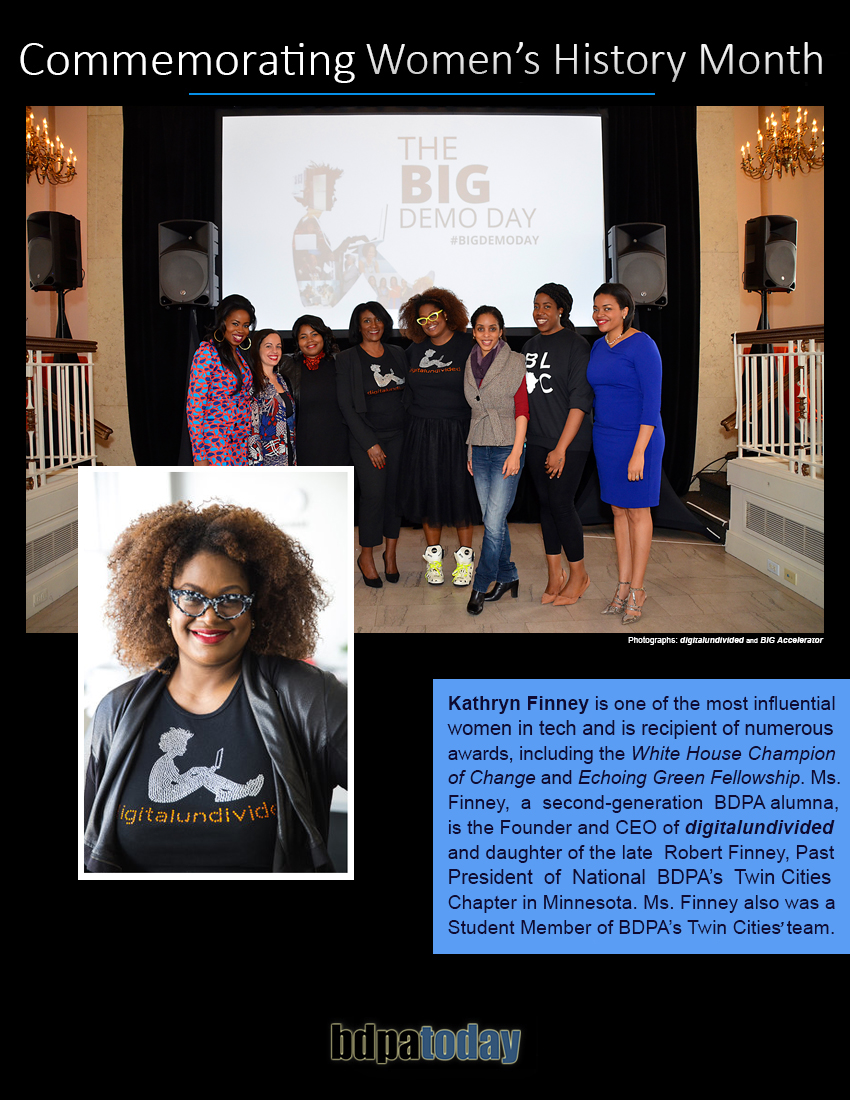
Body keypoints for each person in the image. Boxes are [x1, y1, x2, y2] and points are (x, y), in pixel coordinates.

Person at [84, 501, 346, 873]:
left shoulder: (308, 697)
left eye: (231, 600)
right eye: (191, 597)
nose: (209, 616)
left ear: (256, 607)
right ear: (167, 605)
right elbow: (91, 849)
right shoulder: (115, 712)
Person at [586, 282, 665, 625]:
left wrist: (639, 453)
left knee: (637, 512)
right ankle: (621, 586)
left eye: (607, 308)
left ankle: (638, 589)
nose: (599, 314)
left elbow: (652, 403)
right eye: (596, 308)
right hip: (605, 439)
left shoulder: (643, 344)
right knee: (618, 510)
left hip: (639, 439)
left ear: (624, 311)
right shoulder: (598, 346)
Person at [397, 287, 480, 587]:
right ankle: (434, 560)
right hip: (422, 431)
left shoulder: (468, 345)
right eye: (422, 320)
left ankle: (465, 561)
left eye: (433, 315)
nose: (429, 322)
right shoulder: (413, 352)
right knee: (428, 495)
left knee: (461, 496)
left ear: (447, 314)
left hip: (459, 429)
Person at [522, 283, 594, 605]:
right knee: (546, 505)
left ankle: (579, 575)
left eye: (547, 306)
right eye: (536, 305)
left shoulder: (577, 346)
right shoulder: (530, 346)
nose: (540, 312)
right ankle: (555, 575)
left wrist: (561, 448)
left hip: (569, 442)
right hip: (537, 440)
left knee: (562, 504)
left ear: (561, 309)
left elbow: (580, 402)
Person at [336, 301, 407, 587]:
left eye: (377, 320)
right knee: (374, 497)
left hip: (400, 436)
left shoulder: (398, 354)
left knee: (395, 496)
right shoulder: (347, 358)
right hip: (366, 439)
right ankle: (366, 556)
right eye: (366, 321)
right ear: (358, 326)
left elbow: (407, 395)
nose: (373, 325)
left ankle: (390, 556)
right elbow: (346, 405)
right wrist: (370, 443)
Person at [463, 306, 529, 616]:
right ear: (473, 331)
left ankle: (481, 583)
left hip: (506, 446)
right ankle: (509, 575)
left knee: (491, 523)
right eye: (480, 328)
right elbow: (474, 412)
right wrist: (470, 450)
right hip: (479, 445)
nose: (486, 334)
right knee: (494, 520)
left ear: (501, 331)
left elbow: (522, 410)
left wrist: (516, 452)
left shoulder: (515, 361)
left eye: (492, 328)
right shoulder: (469, 361)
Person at [186, 295, 256, 466]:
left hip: (240, 442)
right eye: (235, 323)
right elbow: (195, 407)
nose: (241, 330)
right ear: (222, 322)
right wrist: (199, 457)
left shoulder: (240, 355)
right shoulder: (207, 353)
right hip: (215, 442)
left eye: (245, 325)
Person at [277, 315, 350, 465]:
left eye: (314, 334)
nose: (310, 340)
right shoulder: (288, 366)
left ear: (323, 336)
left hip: (340, 445)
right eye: (303, 336)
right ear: (297, 342)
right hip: (305, 446)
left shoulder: (341, 362)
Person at [247, 328, 296, 465]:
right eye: (268, 346)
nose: (275, 351)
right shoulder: (251, 383)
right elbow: (252, 431)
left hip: (289, 457)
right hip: (266, 463)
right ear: (257, 349)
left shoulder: (283, 380)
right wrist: (258, 466)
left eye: (278, 346)